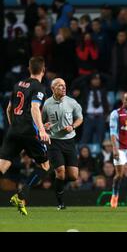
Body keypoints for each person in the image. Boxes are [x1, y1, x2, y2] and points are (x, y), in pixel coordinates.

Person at [0, 57, 51, 216]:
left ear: (29, 69)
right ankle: (20, 197)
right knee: (45, 166)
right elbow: (35, 108)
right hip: (30, 132)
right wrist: (42, 130)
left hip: (13, 131)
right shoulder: (40, 88)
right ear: (43, 70)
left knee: (2, 167)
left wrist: (14, 127)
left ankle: (20, 197)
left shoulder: (18, 85)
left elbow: (9, 109)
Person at [42, 78, 83, 210]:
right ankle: (60, 202)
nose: (63, 88)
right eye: (60, 86)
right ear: (53, 89)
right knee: (60, 172)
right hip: (54, 142)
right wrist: (44, 126)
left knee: (73, 176)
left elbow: (80, 118)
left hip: (69, 141)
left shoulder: (72, 102)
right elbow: (39, 123)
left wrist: (73, 126)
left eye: (64, 85)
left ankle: (57, 184)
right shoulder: (47, 104)